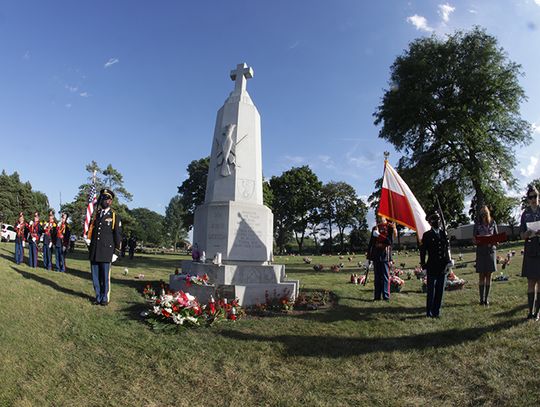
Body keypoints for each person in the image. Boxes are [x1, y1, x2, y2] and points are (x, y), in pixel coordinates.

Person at [87, 188, 122, 306]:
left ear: (110, 201)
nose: (103, 200)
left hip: (107, 252)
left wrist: (116, 252)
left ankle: (104, 298)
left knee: (105, 277)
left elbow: (117, 235)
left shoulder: (114, 216)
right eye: (102, 198)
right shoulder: (96, 215)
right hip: (95, 250)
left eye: (106, 199)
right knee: (95, 276)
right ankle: (98, 296)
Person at [420, 213, 451, 318]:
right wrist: (423, 265)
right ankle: (429, 312)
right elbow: (423, 251)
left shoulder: (443, 234)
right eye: (436, 220)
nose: (438, 222)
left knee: (440, 290)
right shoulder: (427, 235)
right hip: (432, 266)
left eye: (438, 220)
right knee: (431, 291)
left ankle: (436, 311)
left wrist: (448, 261)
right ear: (431, 223)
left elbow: (446, 250)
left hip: (442, 267)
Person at [520, 185, 540, 321]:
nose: (533, 199)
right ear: (528, 199)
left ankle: (537, 313)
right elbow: (521, 235)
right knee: (531, 282)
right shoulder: (525, 214)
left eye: (535, 196)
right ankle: (530, 312)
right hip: (530, 250)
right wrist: (526, 234)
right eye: (531, 197)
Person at [473, 206, 498, 306]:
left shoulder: (493, 223)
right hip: (481, 251)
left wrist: (494, 241)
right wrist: (477, 240)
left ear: (488, 213)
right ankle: (481, 299)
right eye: (482, 213)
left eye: (485, 213)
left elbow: (497, 237)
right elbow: (474, 239)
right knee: (481, 276)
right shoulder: (477, 224)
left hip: (490, 251)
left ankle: (486, 299)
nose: (483, 215)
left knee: (489, 275)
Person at [367, 216, 395, 301]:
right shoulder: (375, 228)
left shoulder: (389, 227)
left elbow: (389, 241)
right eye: (377, 216)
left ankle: (386, 296)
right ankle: (377, 296)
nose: (379, 218)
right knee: (377, 277)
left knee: (385, 276)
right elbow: (371, 243)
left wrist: (379, 235)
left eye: (381, 216)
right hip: (376, 255)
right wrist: (368, 258)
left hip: (385, 254)